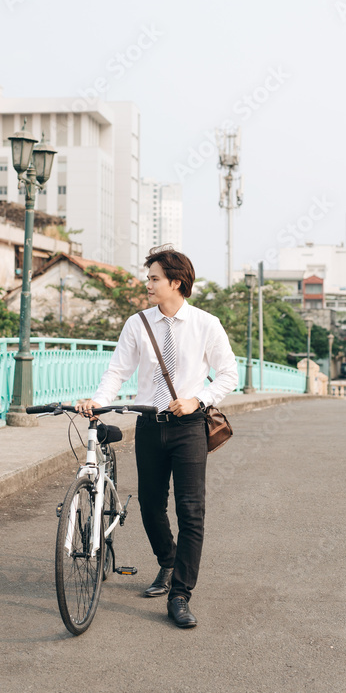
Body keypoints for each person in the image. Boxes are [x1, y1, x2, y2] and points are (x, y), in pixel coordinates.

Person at [76, 247, 238, 629]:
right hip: (149, 424)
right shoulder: (138, 324)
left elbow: (229, 374)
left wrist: (198, 399)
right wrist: (98, 402)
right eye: (148, 278)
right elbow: (118, 370)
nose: (147, 284)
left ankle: (180, 594)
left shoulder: (206, 324)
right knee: (150, 505)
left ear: (175, 282)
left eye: (153, 279)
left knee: (191, 510)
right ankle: (169, 561)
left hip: (188, 427)